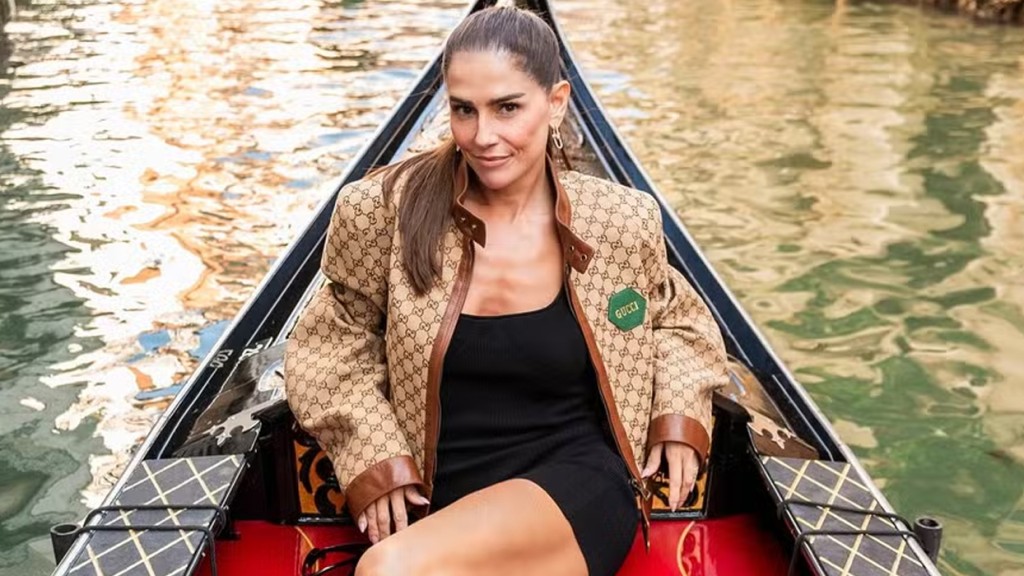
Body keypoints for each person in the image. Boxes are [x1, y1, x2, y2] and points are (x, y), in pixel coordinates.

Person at [285, 4, 728, 575]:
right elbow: (330, 344)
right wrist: (373, 455)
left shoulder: (618, 220)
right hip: (434, 494)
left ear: (557, 102)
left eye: (508, 108)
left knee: (386, 570)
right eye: (463, 110)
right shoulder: (381, 211)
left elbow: (678, 321)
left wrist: (680, 414)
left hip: (574, 481)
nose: (483, 136)